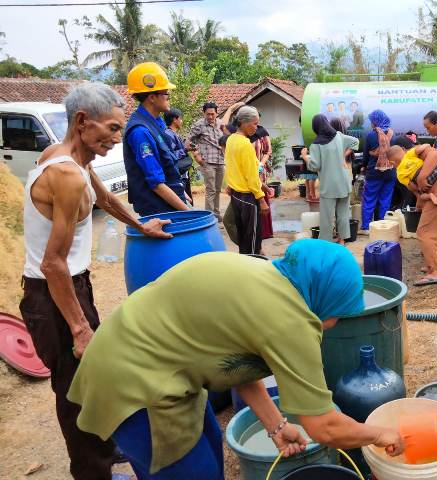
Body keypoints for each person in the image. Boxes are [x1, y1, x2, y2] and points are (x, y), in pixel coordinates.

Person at [67, 241, 405, 479]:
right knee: (184, 471)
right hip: (134, 381)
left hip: (147, 357)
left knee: (208, 449)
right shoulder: (291, 321)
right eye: (339, 313)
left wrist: (276, 425)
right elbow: (324, 426)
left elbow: (238, 362)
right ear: (324, 297)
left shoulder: (271, 275)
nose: (335, 323)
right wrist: (379, 435)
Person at [19, 83, 169, 480]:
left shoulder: (74, 159)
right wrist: (79, 326)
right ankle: (93, 472)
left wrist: (141, 225)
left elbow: (105, 199)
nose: (118, 138)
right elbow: (53, 264)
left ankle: (102, 446)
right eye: (113, 129)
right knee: (75, 390)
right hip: (53, 294)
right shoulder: (65, 174)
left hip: (70, 287)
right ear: (82, 122)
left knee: (94, 376)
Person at [389, 144, 437, 285]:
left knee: (425, 233)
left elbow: (435, 154)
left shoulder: (409, 159)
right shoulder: (411, 156)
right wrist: (421, 200)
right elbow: (418, 192)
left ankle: (435, 272)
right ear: (403, 150)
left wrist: (422, 176)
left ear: (392, 163)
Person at [123, 62, 189, 217]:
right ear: (152, 97)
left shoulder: (156, 122)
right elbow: (157, 184)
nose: (169, 98)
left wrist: (181, 193)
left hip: (170, 202)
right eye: (166, 94)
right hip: (159, 211)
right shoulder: (140, 132)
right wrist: (189, 214)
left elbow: (167, 166)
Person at [301, 114, 359, 244]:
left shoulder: (316, 145)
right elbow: (355, 141)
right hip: (344, 182)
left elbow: (315, 166)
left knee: (327, 217)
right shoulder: (339, 136)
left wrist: (305, 156)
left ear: (315, 127)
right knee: (343, 214)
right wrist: (343, 155)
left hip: (329, 186)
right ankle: (342, 241)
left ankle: (325, 243)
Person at [224, 106, 270, 254]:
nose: (256, 128)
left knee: (243, 237)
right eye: (255, 124)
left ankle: (245, 266)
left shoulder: (231, 139)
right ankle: (254, 268)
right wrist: (261, 199)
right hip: (248, 197)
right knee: (253, 240)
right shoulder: (245, 144)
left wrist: (263, 186)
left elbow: (233, 168)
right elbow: (251, 175)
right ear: (243, 122)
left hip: (236, 196)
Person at [361, 109, 396, 232]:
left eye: (372, 121)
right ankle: (382, 225)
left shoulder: (371, 135)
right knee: (385, 200)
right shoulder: (392, 134)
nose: (371, 124)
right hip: (390, 172)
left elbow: (366, 155)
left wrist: (363, 166)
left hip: (374, 172)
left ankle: (366, 226)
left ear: (375, 121)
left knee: (369, 199)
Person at [188, 102, 225, 219]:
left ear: (216, 113)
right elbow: (189, 140)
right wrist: (196, 154)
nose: (210, 117)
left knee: (218, 189)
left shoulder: (220, 123)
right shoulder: (199, 125)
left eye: (212, 114)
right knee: (211, 190)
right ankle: (210, 217)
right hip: (207, 161)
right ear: (204, 113)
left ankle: (217, 214)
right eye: (208, 114)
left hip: (220, 160)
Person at [164, 108, 193, 204]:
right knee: (183, 202)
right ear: (174, 119)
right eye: (180, 118)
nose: (181, 121)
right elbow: (170, 155)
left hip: (183, 174)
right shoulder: (169, 135)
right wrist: (185, 149)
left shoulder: (174, 134)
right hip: (177, 175)